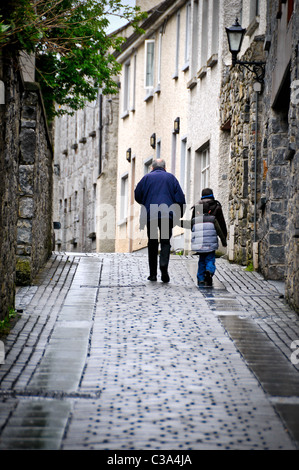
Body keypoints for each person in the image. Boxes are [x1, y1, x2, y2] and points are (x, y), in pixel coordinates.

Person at [135, 159, 186, 283]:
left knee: (152, 242)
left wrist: (145, 203)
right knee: (165, 241)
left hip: (151, 213)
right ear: (165, 167)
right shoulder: (171, 178)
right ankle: (164, 268)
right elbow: (180, 197)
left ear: (152, 168)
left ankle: (152, 274)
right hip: (166, 214)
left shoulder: (146, 178)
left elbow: (137, 194)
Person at [191, 188, 227, 286]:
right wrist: (224, 239)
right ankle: (209, 271)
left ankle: (201, 279)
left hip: (200, 241)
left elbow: (192, 225)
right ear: (212, 195)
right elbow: (221, 224)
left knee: (201, 260)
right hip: (211, 240)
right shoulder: (217, 206)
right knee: (210, 259)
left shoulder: (197, 207)